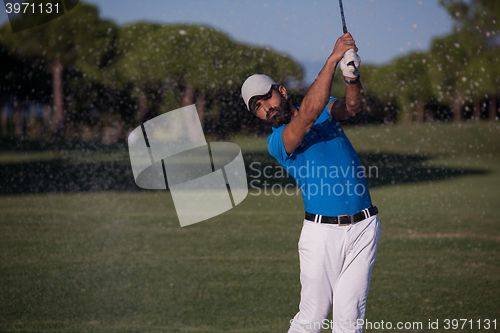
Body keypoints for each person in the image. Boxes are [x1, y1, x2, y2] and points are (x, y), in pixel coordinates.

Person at [241, 33, 381, 333]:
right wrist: (332, 59)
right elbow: (307, 116)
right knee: (312, 319)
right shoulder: (277, 141)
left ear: (281, 91)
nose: (266, 107)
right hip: (321, 235)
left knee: (350, 320)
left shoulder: (325, 109)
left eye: (266, 98)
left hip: (365, 227)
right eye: (257, 107)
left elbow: (351, 108)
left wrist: (351, 76)